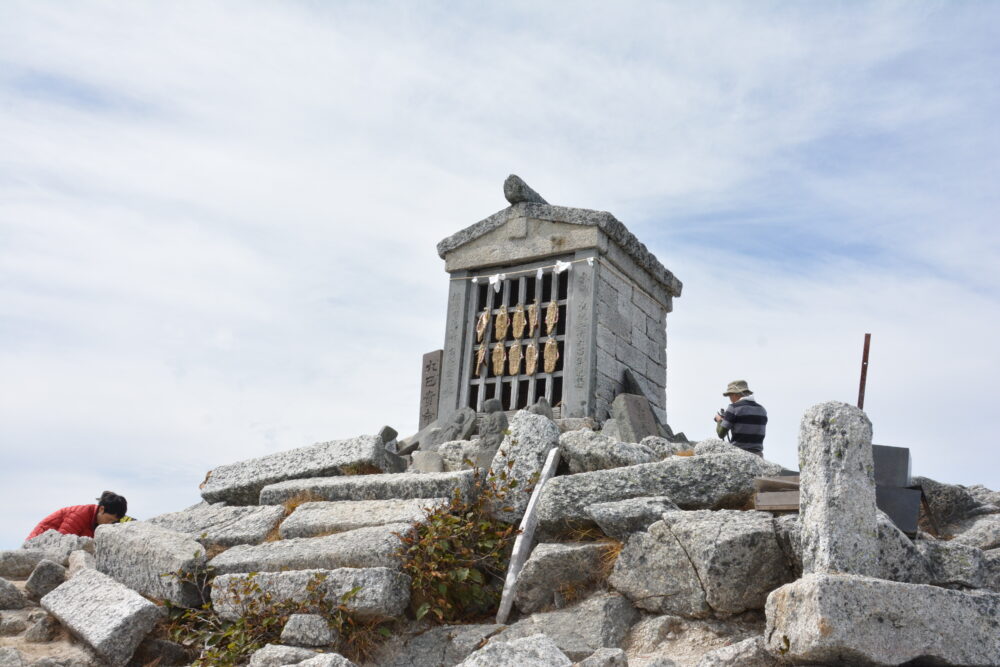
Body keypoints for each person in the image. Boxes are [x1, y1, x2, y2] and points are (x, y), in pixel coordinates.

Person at [26, 491, 128, 540]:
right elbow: (62, 542)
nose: (110, 524)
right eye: (109, 520)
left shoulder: (98, 520)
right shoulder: (79, 515)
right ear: (101, 509)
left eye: (113, 522)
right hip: (38, 542)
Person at [713, 380, 767, 456]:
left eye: (730, 395)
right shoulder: (762, 410)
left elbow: (721, 434)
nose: (730, 399)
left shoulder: (733, 408)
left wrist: (719, 420)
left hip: (738, 454)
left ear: (735, 395)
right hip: (758, 454)